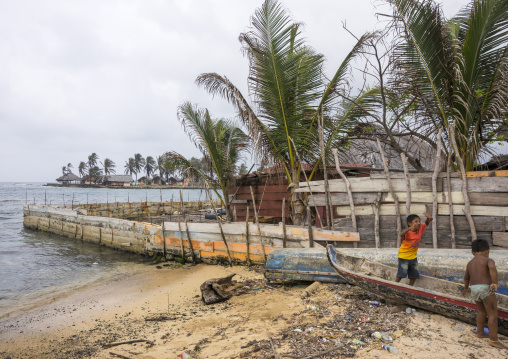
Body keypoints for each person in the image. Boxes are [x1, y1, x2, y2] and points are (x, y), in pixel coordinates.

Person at [462, 239, 507, 350]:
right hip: (485, 289)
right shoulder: (488, 260)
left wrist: (466, 288)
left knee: (482, 311)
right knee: (493, 314)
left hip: (474, 289)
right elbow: (492, 268)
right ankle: (494, 340)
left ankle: (480, 332)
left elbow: (466, 278)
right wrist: (494, 283)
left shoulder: (470, 263)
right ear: (487, 251)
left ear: (472, 252)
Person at [395, 213, 432, 286]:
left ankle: (410, 287)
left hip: (413, 257)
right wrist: (408, 229)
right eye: (416, 221)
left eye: (419, 221)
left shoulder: (420, 228)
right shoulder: (408, 232)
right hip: (404, 256)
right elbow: (401, 234)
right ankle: (394, 285)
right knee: (402, 274)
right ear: (409, 223)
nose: (418, 223)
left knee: (414, 274)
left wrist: (428, 219)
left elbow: (426, 224)